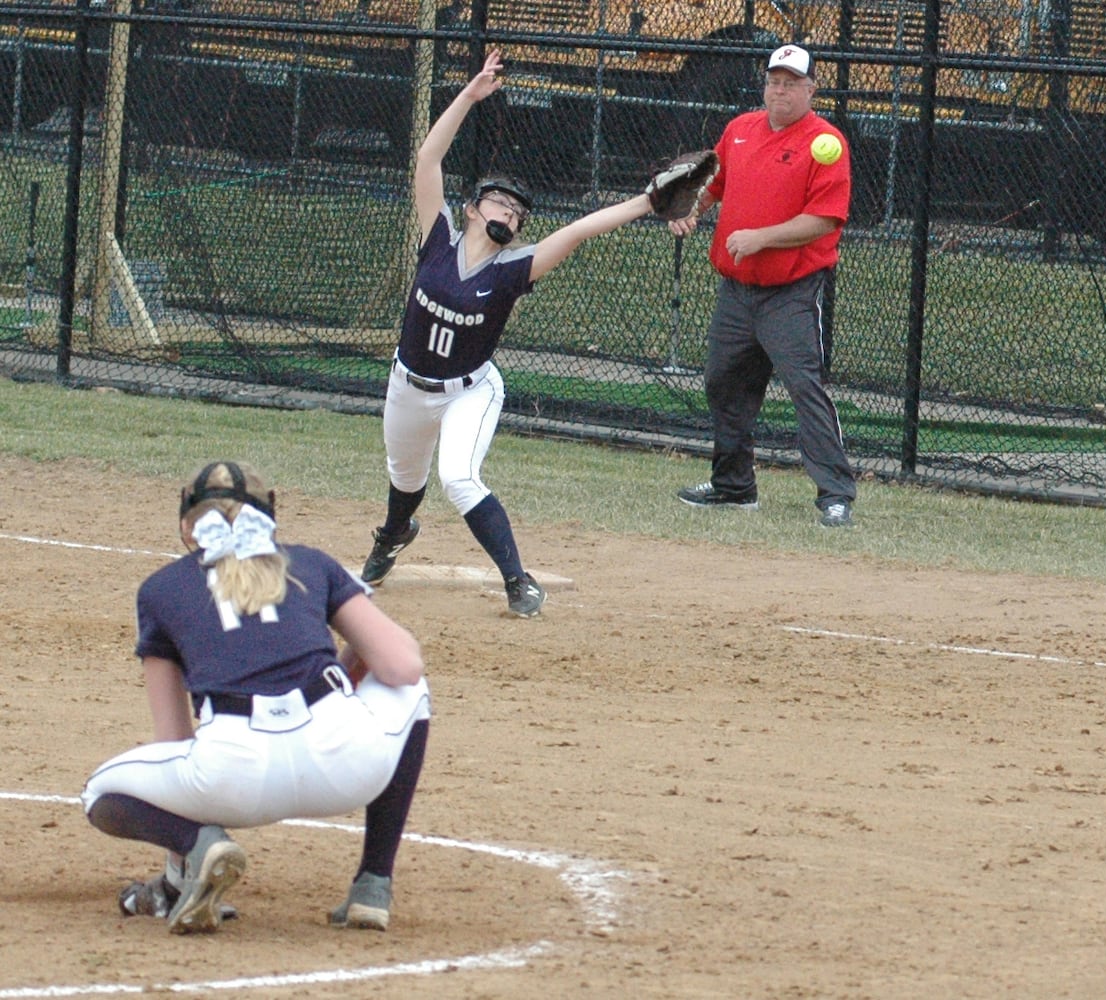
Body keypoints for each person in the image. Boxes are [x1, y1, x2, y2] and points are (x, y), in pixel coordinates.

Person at [363, 47, 664, 613]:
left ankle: (517, 581)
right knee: (404, 479)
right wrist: (470, 97)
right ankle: (393, 535)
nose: (509, 213)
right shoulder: (438, 239)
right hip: (407, 384)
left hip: (470, 390)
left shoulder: (512, 270)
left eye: (518, 212)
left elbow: (578, 231)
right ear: (473, 209)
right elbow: (428, 160)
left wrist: (646, 202)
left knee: (457, 477)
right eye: (498, 202)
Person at [81, 461, 432, 934]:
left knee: (100, 792)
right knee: (412, 691)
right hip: (346, 765)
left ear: (188, 526)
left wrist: (180, 864)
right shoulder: (310, 562)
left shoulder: (160, 590)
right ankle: (373, 884)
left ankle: (200, 846)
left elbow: (173, 739)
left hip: (234, 780)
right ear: (270, 516)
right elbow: (402, 666)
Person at [666, 44, 858, 528]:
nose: (781, 89)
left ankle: (835, 494)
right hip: (736, 290)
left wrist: (761, 238)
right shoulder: (739, 131)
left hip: (790, 291)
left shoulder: (825, 142)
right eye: (775, 80)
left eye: (792, 82)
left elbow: (824, 220)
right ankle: (734, 487)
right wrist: (692, 210)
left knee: (803, 387)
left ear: (812, 89)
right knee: (723, 383)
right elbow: (715, 183)